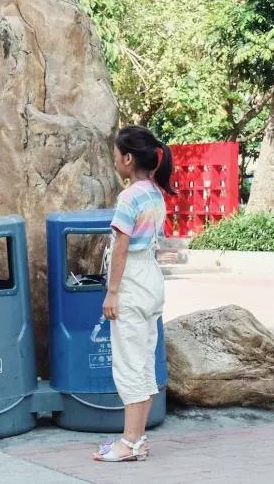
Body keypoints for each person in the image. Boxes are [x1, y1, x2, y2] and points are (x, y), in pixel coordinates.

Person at [94, 125, 174, 463]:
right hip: (152, 280)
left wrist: (112, 292)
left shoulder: (129, 197)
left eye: (115, 156)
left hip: (132, 282)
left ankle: (128, 443)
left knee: (128, 365)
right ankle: (138, 440)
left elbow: (122, 247)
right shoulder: (155, 193)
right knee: (143, 363)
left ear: (128, 159)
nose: (114, 161)